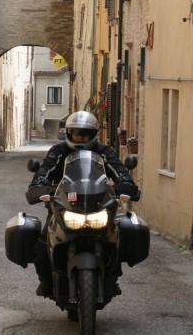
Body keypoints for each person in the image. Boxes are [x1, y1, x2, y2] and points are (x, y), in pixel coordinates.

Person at [26, 111, 138, 298]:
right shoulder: (59, 151)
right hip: (63, 206)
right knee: (44, 241)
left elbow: (117, 169)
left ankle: (113, 275)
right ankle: (45, 280)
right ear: (68, 132)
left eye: (84, 133)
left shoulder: (104, 152)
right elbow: (45, 170)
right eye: (76, 132)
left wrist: (125, 183)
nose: (80, 136)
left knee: (115, 235)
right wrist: (38, 185)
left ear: (93, 134)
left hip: (97, 206)